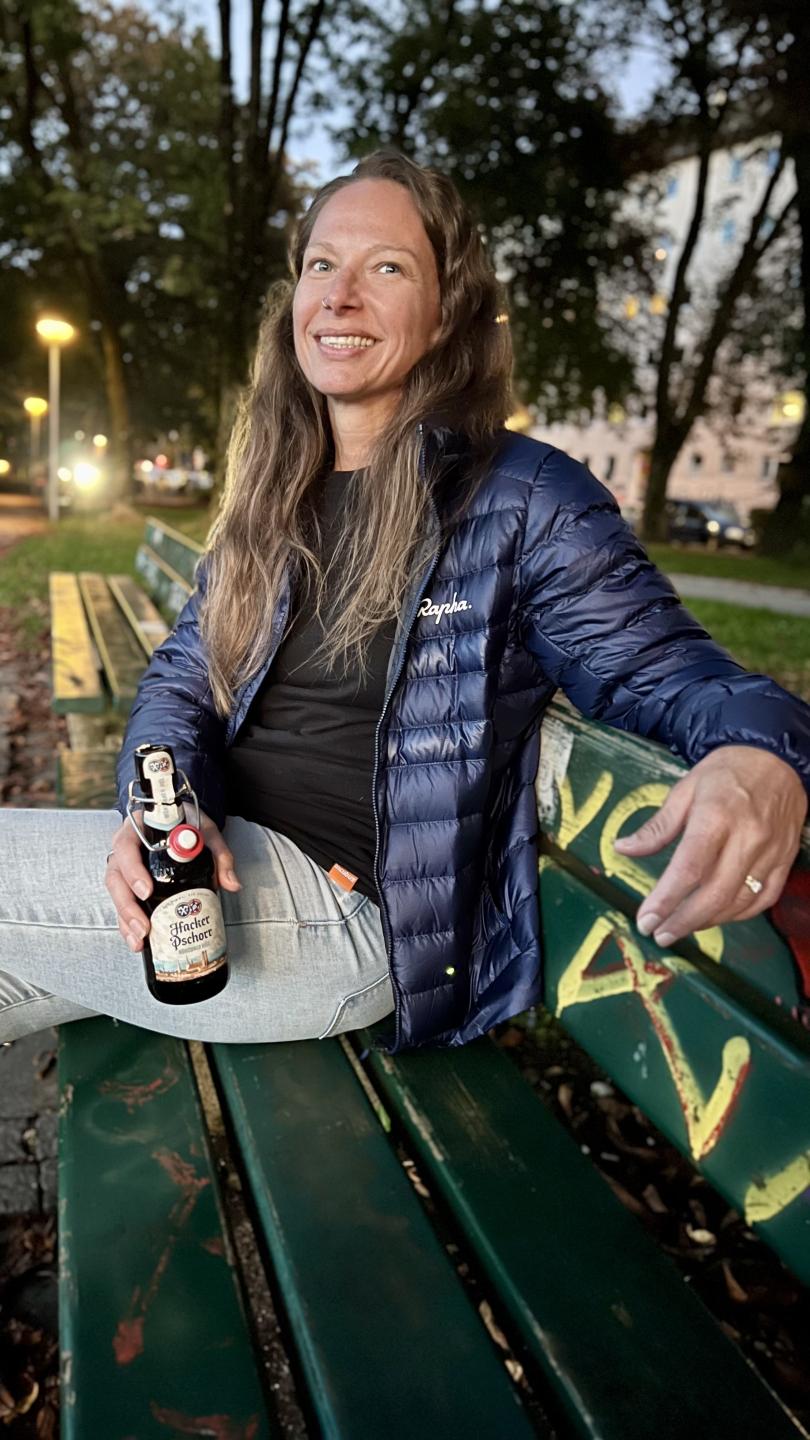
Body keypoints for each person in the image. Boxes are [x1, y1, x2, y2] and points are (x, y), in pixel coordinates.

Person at [2, 151, 809, 1054]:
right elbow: (182, 679)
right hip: (218, 877)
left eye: (386, 267)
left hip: (343, 920)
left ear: (447, 313)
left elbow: (677, 675)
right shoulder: (276, 491)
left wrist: (761, 754)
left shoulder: (523, 499)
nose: (340, 295)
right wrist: (162, 809)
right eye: (321, 265)